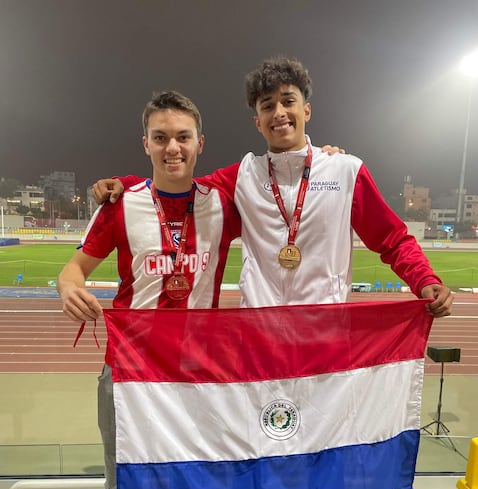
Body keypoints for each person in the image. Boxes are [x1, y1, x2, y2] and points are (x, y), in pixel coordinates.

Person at [94, 56, 453, 317]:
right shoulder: (243, 176)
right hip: (260, 336)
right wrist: (125, 185)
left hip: (325, 332)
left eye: (288, 101)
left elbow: (391, 239)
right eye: (268, 106)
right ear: (258, 121)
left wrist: (424, 279)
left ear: (306, 110)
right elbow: (177, 184)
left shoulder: (346, 171)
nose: (279, 112)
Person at [57, 91, 242, 489]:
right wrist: (69, 289)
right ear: (146, 144)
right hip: (129, 372)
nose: (172, 148)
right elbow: (72, 271)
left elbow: (281, 184)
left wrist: (324, 156)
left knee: (198, 480)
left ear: (200, 143)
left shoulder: (225, 206)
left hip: (198, 372)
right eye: (160, 138)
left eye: (182, 137)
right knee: (126, 482)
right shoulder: (119, 204)